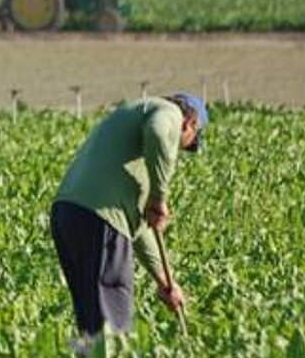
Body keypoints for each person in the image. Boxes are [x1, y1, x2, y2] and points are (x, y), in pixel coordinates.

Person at [50, 93, 207, 340]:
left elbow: (139, 228)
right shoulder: (167, 112)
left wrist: (165, 281)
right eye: (184, 143)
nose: (175, 149)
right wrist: (159, 196)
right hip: (101, 217)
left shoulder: (133, 129)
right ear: (189, 124)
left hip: (67, 213)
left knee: (92, 321)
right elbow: (158, 130)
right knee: (112, 320)